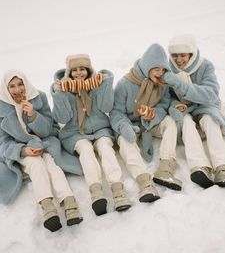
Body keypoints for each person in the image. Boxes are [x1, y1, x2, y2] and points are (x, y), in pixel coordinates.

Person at [0, 70, 83, 232]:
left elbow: (49, 130)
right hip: (22, 150)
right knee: (36, 165)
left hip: (45, 142)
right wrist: (23, 150)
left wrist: (33, 116)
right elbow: (2, 143)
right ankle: (48, 209)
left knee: (52, 165)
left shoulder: (39, 97)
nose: (18, 90)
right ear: (6, 88)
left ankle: (69, 202)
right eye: (12, 86)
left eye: (20, 84)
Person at [51, 54, 131, 216]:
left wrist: (105, 84)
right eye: (74, 70)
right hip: (75, 133)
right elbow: (62, 118)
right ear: (69, 72)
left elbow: (106, 106)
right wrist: (59, 95)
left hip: (101, 129)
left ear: (88, 70)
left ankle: (117, 189)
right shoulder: (63, 88)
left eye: (82, 69)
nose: (79, 73)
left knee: (105, 147)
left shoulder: (96, 84)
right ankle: (96, 193)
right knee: (86, 150)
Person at [163, 34, 225, 188]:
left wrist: (181, 85)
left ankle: (222, 166)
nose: (179, 60)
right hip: (185, 109)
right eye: (175, 55)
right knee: (187, 123)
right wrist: (175, 106)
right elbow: (166, 97)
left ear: (191, 53)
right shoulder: (167, 70)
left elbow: (211, 93)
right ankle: (199, 166)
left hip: (206, 105)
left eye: (183, 55)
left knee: (210, 120)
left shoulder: (205, 66)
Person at [110, 43, 182, 195]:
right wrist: (124, 126)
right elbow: (116, 112)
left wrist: (154, 114)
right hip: (129, 125)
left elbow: (164, 105)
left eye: (163, 69)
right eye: (156, 69)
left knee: (170, 122)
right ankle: (145, 183)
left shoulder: (162, 84)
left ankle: (166, 168)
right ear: (147, 67)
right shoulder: (125, 84)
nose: (160, 73)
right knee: (124, 140)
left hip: (149, 123)